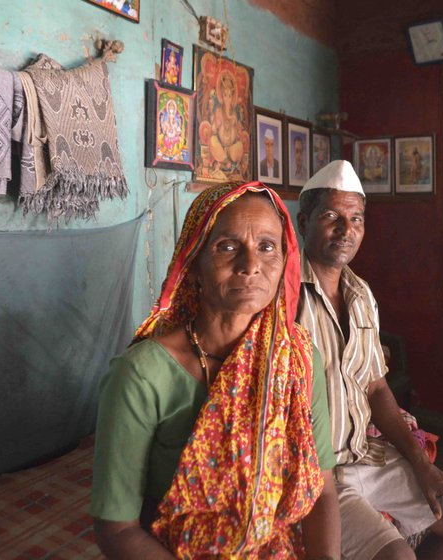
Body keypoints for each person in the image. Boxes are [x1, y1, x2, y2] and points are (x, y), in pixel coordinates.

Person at [91, 182, 340, 559]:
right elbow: (117, 530)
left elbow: (323, 491)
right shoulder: (141, 375)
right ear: (194, 265)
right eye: (227, 247)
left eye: (267, 247)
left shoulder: (299, 359)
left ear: (284, 262)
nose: (251, 264)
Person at [296, 160, 443, 560]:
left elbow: (377, 386)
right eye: (331, 216)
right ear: (303, 221)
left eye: (357, 219)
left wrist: (423, 467)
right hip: (318, 472)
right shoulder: (284, 296)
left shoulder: (360, 294)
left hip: (366, 454)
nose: (346, 231)